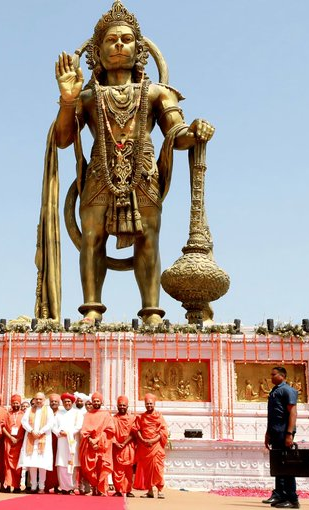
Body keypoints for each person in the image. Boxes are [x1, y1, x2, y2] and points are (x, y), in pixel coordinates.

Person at [36, 0, 215, 325]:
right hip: (99, 175)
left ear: (139, 50)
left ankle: (151, 313)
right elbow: (63, 139)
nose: (119, 44)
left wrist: (195, 131)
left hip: (142, 174)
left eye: (126, 39)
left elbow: (176, 134)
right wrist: (67, 99)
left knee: (148, 239)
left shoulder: (159, 93)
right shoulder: (88, 98)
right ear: (97, 52)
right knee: (92, 239)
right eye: (110, 39)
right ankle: (91, 309)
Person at [263, 366, 299, 509]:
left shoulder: (287, 390)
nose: (271, 377)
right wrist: (268, 433)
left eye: (273, 375)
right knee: (279, 466)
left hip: (284, 432)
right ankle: (282, 495)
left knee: (287, 465)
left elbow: (293, 413)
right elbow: (272, 415)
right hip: (275, 432)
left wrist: (289, 434)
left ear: (282, 376)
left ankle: (292, 498)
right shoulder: (274, 391)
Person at [79, 392, 115, 496]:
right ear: (92, 402)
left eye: (98, 401)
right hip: (90, 445)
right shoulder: (88, 415)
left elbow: (110, 430)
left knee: (102, 466)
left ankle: (102, 490)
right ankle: (94, 488)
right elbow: (84, 431)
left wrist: (98, 440)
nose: (96, 402)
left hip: (103, 446)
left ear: (101, 402)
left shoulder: (106, 415)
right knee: (91, 468)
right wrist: (91, 441)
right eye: (94, 401)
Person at [133, 393, 168, 499]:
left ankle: (160, 490)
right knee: (147, 470)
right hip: (144, 447)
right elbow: (136, 429)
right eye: (147, 404)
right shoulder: (141, 417)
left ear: (154, 404)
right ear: (144, 404)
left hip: (155, 446)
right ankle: (150, 491)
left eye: (151, 404)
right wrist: (143, 439)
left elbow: (163, 431)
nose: (149, 406)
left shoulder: (159, 416)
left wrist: (153, 440)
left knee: (157, 469)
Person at [18, 392, 54, 493]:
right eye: (36, 399)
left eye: (40, 399)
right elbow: (24, 422)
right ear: (34, 400)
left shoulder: (49, 410)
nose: (38, 401)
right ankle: (33, 486)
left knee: (42, 463)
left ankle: (41, 486)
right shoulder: (30, 409)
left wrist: (41, 432)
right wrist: (31, 431)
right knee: (32, 462)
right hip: (31, 438)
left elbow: (51, 423)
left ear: (44, 400)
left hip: (44, 438)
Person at [54, 392, 82, 494]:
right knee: (61, 464)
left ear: (72, 402)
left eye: (69, 401)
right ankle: (64, 487)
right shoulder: (58, 413)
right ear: (63, 402)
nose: (67, 403)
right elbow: (54, 426)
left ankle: (72, 487)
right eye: (65, 402)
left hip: (72, 441)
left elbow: (78, 426)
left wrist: (68, 433)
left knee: (72, 463)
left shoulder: (77, 413)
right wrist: (58, 432)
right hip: (61, 441)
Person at [112, 395, 136, 497]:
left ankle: (128, 490)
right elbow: (110, 432)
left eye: (124, 405)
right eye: (120, 405)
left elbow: (134, 433)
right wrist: (116, 443)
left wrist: (124, 443)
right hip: (116, 447)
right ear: (117, 406)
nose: (122, 407)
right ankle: (118, 490)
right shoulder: (113, 419)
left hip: (128, 447)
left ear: (127, 406)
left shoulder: (132, 418)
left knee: (128, 470)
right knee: (117, 470)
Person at [3, 394, 25, 493]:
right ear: (11, 404)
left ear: (20, 403)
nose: (15, 404)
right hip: (8, 441)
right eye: (13, 403)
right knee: (7, 464)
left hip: (19, 442)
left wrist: (19, 439)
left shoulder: (24, 415)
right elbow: (2, 427)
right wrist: (10, 437)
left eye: (17, 403)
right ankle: (7, 484)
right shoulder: (7, 414)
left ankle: (16, 486)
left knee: (17, 466)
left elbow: (26, 429)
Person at [44, 393, 62, 493]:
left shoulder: (62, 413)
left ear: (58, 403)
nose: (53, 403)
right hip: (47, 440)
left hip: (59, 441)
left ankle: (57, 485)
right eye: (52, 402)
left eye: (55, 401)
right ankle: (47, 485)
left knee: (58, 463)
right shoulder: (45, 413)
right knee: (48, 461)